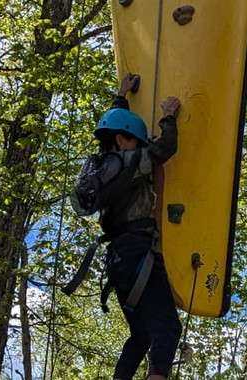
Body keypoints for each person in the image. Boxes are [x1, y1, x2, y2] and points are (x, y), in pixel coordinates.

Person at [73, 73, 182, 380]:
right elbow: (166, 149)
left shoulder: (99, 168)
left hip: (117, 260)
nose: (139, 145)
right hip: (138, 252)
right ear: (123, 140)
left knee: (142, 335)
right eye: (135, 140)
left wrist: (121, 96)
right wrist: (168, 116)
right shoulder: (133, 160)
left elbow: (114, 124)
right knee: (168, 330)